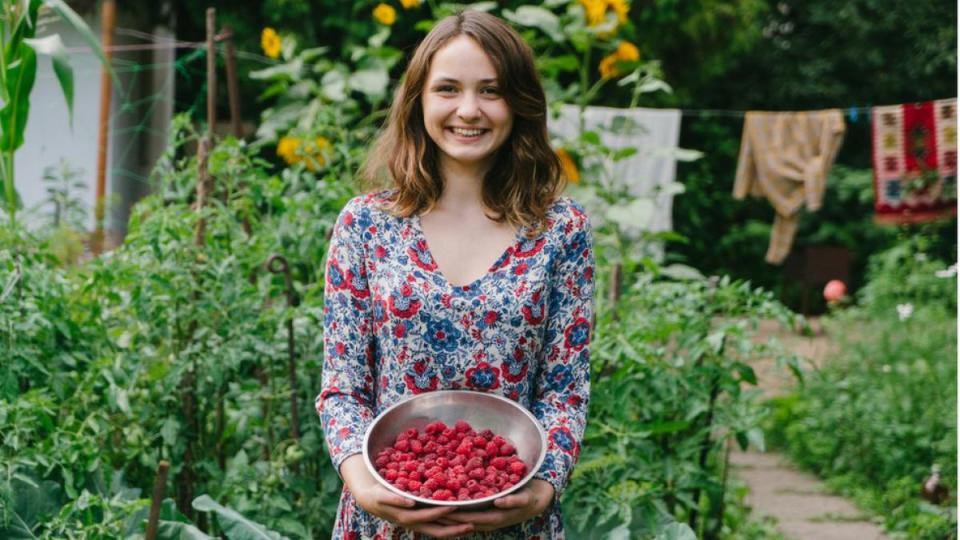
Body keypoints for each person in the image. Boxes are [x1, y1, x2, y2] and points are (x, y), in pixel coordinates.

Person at [316, 10, 595, 539]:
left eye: (491, 90)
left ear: (519, 103)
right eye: (448, 88)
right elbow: (343, 387)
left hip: (514, 520)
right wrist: (362, 481)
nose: (469, 110)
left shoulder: (561, 230)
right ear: (418, 100)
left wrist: (544, 486)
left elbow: (564, 391)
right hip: (387, 519)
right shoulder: (366, 224)